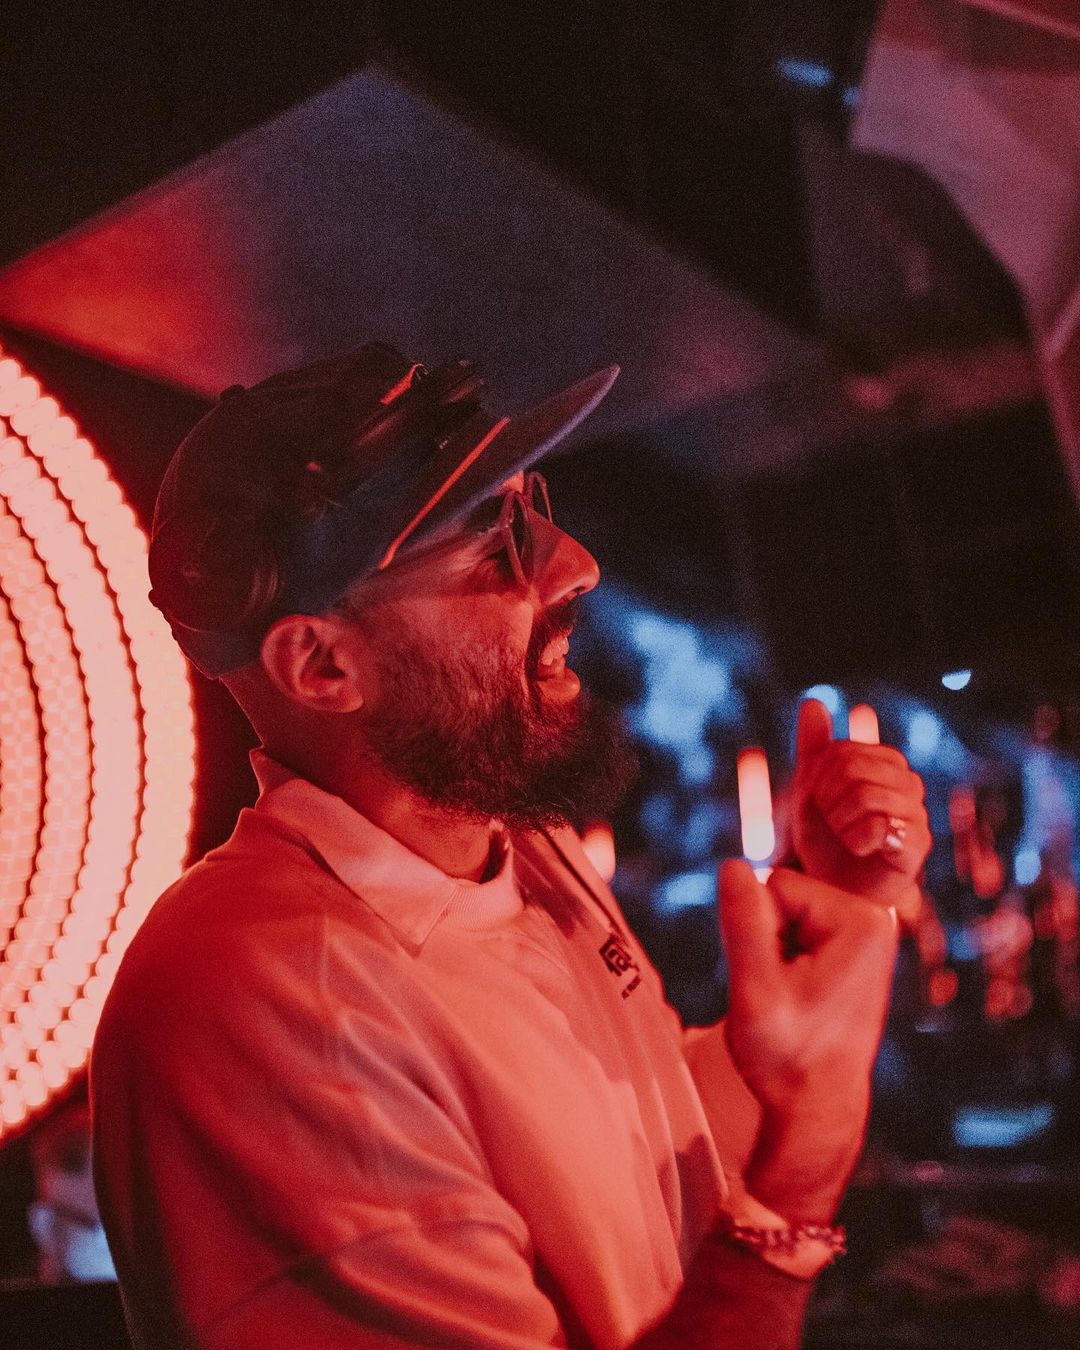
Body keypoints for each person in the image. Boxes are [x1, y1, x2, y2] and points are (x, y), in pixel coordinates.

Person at [90, 343, 930, 1349]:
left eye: (533, 505)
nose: (575, 565)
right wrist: (801, 1179)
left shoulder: (522, 848)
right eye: (494, 543)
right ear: (321, 665)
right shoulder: (265, 1002)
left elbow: (655, 1146)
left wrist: (818, 935)